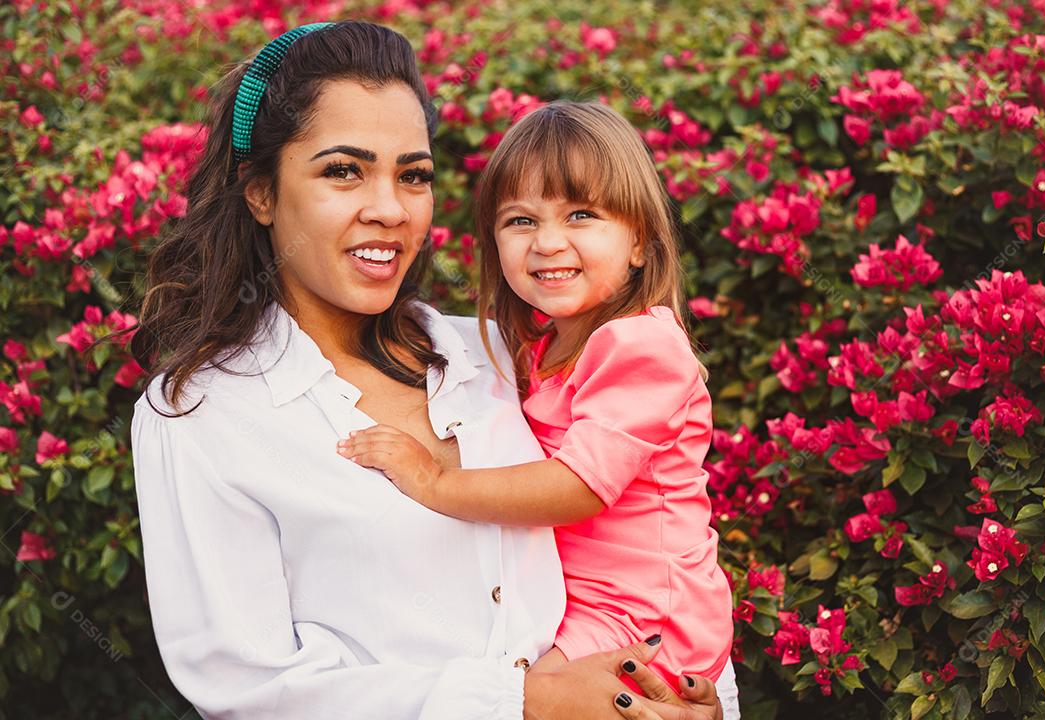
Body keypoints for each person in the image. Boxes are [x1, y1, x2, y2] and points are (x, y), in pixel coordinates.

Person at [129, 20, 737, 720]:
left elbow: (653, 543)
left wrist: (699, 701)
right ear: (261, 192)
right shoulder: (204, 417)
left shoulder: (495, 353)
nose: (388, 209)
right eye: (343, 171)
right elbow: (251, 693)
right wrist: (523, 703)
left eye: (412, 175)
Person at [338, 100, 734, 695]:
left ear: (640, 244)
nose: (547, 242)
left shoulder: (640, 346)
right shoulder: (537, 347)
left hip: (645, 616)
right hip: (578, 607)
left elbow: (576, 487)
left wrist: (432, 482)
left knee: (534, 703)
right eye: (520, 221)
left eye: (581, 215)